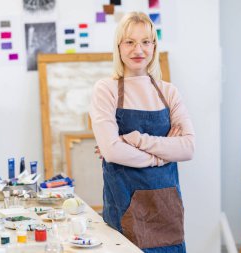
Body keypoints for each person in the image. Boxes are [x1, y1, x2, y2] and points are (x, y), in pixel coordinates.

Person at [89, 12, 195, 253]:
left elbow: (188, 148)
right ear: (118, 47)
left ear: (154, 46)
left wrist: (134, 140)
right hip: (124, 207)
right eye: (130, 42)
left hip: (166, 208)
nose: (139, 49)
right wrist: (162, 155)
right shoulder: (106, 90)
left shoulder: (169, 92)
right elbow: (112, 151)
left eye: (146, 42)